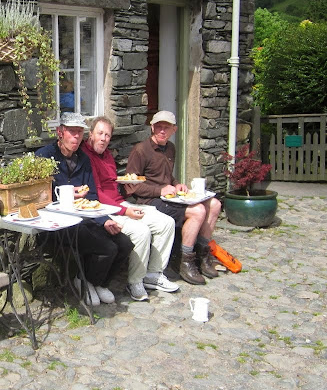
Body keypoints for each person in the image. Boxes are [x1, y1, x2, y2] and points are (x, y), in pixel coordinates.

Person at [35, 112, 133, 306]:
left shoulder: (83, 159)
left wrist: (105, 220)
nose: (76, 137)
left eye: (79, 132)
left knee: (124, 244)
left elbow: (93, 197)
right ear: (60, 132)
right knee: (107, 248)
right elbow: (37, 195)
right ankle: (84, 280)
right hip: (56, 224)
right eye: (72, 132)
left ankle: (96, 282)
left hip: (84, 219)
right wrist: (65, 194)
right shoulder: (44, 157)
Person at [81, 116, 179, 301]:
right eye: (100, 133)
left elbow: (113, 185)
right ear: (91, 134)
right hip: (104, 209)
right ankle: (135, 281)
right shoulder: (86, 157)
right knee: (141, 231)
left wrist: (128, 187)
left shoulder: (107, 155)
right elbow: (96, 193)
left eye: (107, 135)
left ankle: (153, 274)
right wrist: (124, 211)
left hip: (120, 203)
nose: (103, 138)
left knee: (166, 222)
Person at [124, 111, 222, 285]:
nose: (162, 131)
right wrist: (160, 191)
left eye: (166, 128)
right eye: (158, 127)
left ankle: (203, 254)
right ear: (152, 127)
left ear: (173, 130)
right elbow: (131, 186)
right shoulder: (141, 150)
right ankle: (186, 261)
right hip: (149, 201)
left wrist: (177, 184)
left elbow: (167, 177)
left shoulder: (170, 148)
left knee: (214, 204)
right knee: (198, 211)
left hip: (170, 198)